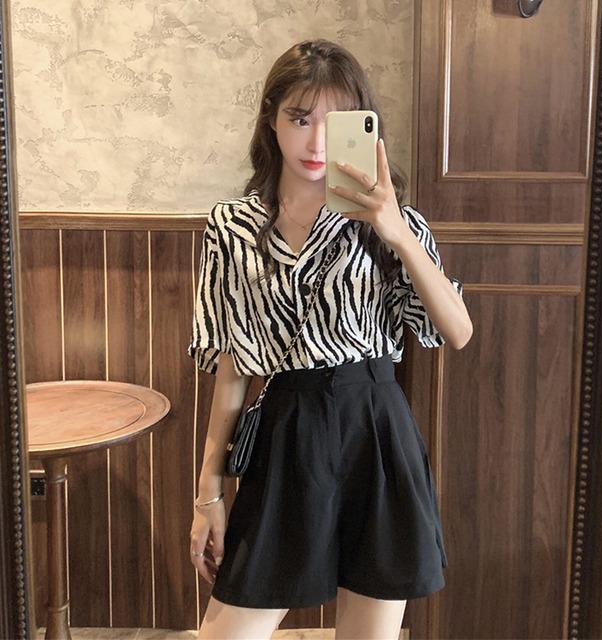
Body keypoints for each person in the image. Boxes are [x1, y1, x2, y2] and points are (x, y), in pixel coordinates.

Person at [187, 39, 472, 640]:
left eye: (334, 122)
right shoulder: (232, 227)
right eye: (299, 118)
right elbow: (235, 364)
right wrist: (208, 490)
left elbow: (457, 330)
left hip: (377, 434)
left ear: (362, 127)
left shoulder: (393, 224)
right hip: (286, 434)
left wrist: (396, 231)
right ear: (271, 120)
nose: (316, 142)